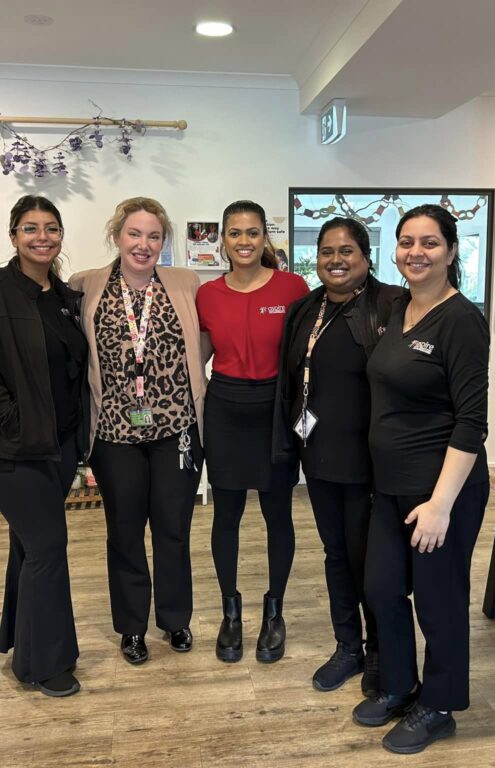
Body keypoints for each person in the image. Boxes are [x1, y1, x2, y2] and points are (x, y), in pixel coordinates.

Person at [352, 204, 490, 754]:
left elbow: (472, 421)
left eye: (429, 243)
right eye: (406, 242)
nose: (416, 252)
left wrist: (440, 504)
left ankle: (439, 705)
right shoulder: (399, 308)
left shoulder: (461, 320)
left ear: (451, 251)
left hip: (439, 491)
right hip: (390, 486)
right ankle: (400, 685)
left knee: (438, 599)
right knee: (381, 588)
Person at [0, 195, 88, 697]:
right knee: (48, 546)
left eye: (51, 228)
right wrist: (12, 420)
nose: (42, 237)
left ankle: (19, 638)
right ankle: (43, 664)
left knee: (29, 544)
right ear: (13, 236)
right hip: (9, 449)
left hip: (60, 446)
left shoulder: (64, 297)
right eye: (31, 228)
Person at [69, 197, 205, 666]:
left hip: (176, 429)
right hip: (113, 434)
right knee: (124, 533)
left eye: (153, 236)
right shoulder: (86, 285)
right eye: (134, 234)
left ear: (163, 241)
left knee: (173, 530)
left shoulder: (185, 283)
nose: (143, 244)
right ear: (117, 235)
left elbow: (204, 340)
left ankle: (175, 618)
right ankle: (131, 627)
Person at [273, 217, 401, 694]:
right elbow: (291, 381)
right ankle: (348, 646)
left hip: (371, 462)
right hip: (320, 457)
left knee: (371, 561)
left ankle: (380, 651)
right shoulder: (307, 308)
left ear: (366, 257)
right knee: (335, 555)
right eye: (327, 251)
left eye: (346, 251)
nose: (336, 260)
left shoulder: (392, 305)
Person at [196, 200, 309, 663]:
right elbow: (197, 355)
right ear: (222, 239)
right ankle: (231, 612)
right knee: (226, 516)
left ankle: (274, 612)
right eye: (235, 233)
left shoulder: (293, 287)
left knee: (277, 514)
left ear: (266, 237)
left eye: (253, 232)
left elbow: (307, 353)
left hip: (274, 410)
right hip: (225, 408)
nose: (244, 241)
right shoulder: (207, 294)